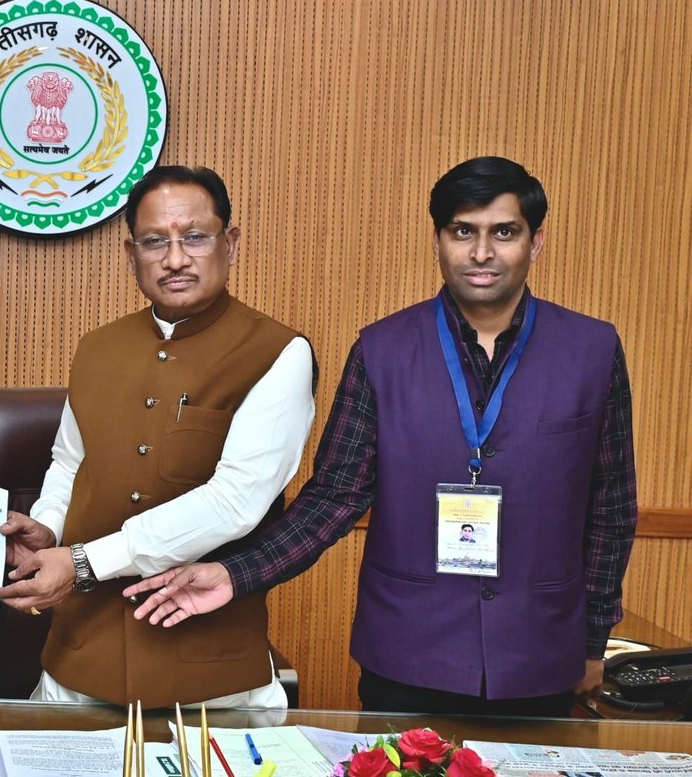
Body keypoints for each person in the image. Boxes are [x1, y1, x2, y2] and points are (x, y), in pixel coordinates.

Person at [131, 157, 636, 718]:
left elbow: (611, 508)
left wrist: (593, 640)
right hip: (407, 651)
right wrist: (235, 572)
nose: (481, 253)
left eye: (504, 233)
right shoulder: (381, 349)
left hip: (541, 655)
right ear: (437, 240)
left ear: (535, 242)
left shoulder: (593, 350)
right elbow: (333, 498)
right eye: (462, 231)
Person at [0, 165, 316, 709]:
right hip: (79, 658)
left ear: (230, 244)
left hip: (210, 678)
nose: (175, 259)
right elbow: (70, 463)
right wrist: (48, 528)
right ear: (131, 254)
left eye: (195, 237)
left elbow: (236, 501)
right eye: (154, 241)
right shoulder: (97, 348)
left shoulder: (277, 352)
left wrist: (84, 562)